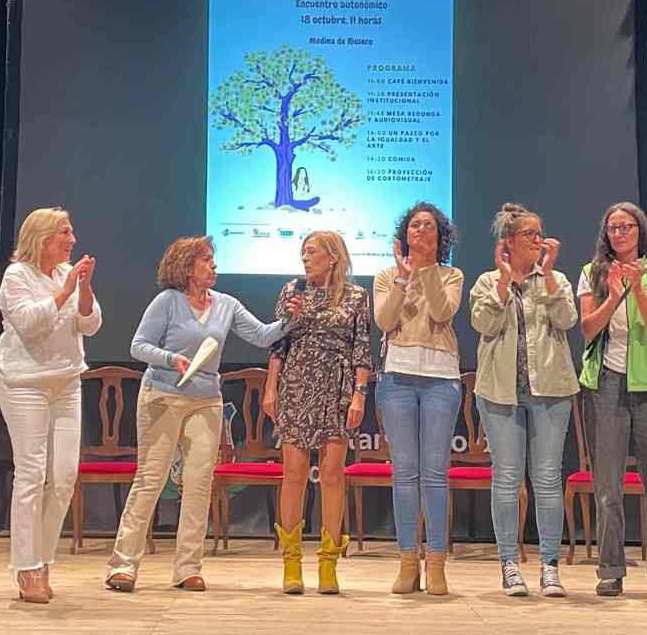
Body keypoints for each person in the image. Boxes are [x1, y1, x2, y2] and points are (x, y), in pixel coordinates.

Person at [105, 236, 299, 593]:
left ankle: (187, 568)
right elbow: (138, 346)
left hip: (206, 400)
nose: (214, 266)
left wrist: (289, 319)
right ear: (187, 267)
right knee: (150, 480)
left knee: (197, 484)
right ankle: (123, 565)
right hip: (162, 395)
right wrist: (170, 359)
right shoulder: (167, 302)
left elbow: (261, 335)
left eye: (213, 259)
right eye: (207, 260)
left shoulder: (226, 304)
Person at [469, 203, 578, 597]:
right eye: (530, 234)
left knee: (547, 479)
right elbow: (484, 324)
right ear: (509, 243)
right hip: (499, 392)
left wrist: (547, 276)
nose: (538, 240)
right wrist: (502, 282)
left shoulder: (556, 280)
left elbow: (567, 320)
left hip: (550, 390)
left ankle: (550, 566)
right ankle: (509, 565)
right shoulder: (485, 282)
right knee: (507, 478)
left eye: (540, 233)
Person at [0, 207, 101, 604]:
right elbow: (31, 324)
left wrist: (83, 289)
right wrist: (66, 290)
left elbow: (89, 324)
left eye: (71, 232)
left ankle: (43, 558)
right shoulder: (17, 276)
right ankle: (26, 568)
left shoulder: (65, 274)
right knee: (32, 474)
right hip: (25, 384)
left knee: (64, 476)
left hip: (66, 382)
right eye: (65, 233)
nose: (72, 240)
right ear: (42, 238)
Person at [576, 202, 647, 599]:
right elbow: (588, 329)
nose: (620, 234)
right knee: (608, 487)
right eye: (613, 228)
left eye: (627, 227)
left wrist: (637, 289)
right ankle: (610, 569)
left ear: (640, 231)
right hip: (606, 384)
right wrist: (614, 296)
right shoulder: (592, 273)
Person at [263, 231, 370, 595]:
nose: (305, 259)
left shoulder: (356, 297)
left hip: (337, 388)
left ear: (333, 257)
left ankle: (328, 563)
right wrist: (270, 387)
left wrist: (359, 395)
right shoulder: (292, 292)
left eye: (311, 252)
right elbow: (278, 344)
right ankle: (291, 563)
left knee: (332, 474)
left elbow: (361, 351)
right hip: (296, 383)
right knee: (292, 473)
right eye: (303, 253)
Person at [373, 202, 463, 596]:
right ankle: (408, 561)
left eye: (428, 226)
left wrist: (425, 273)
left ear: (439, 237)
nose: (421, 231)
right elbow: (384, 321)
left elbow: (443, 313)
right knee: (405, 473)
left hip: (442, 378)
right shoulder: (386, 275)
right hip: (397, 377)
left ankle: (438, 563)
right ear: (404, 234)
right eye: (414, 226)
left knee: (435, 474)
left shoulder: (451, 274)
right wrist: (402, 280)